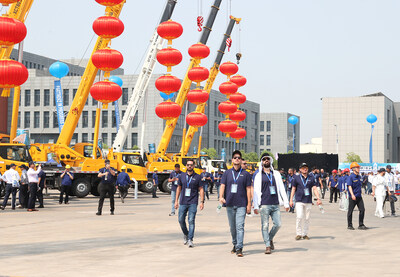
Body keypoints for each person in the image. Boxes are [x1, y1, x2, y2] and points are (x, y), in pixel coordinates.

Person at [253, 154, 289, 254]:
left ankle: (269, 238)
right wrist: (255, 206)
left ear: (271, 161)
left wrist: (286, 203)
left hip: (275, 203)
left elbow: (282, 188)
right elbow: (255, 192)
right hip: (264, 204)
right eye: (264, 159)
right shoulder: (258, 175)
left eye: (267, 159)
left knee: (278, 224)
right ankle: (267, 246)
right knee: (265, 226)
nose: (266, 160)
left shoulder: (276, 174)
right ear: (261, 162)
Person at [219, 150, 251, 257]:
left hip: (242, 204)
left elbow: (248, 189)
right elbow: (222, 185)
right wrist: (221, 197)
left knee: (240, 226)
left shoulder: (246, 174)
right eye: (235, 157)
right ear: (232, 160)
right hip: (230, 203)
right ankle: (235, 243)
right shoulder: (227, 173)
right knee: (232, 227)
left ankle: (239, 248)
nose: (237, 159)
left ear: (241, 160)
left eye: (239, 157)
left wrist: (249, 204)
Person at [174, 159, 204, 248]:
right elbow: (178, 188)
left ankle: (190, 239)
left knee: (191, 220)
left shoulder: (198, 177)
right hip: (183, 201)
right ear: (186, 166)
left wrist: (202, 201)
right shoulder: (181, 176)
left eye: (191, 165)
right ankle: (186, 234)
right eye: (188, 165)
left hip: (193, 202)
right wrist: (176, 201)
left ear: (194, 166)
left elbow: (201, 189)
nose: (189, 166)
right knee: (180, 220)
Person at [289, 163, 322, 240]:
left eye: (306, 168)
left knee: (307, 218)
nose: (305, 169)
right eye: (303, 168)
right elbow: (293, 189)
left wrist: (318, 198)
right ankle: (298, 233)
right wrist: (291, 200)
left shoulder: (311, 178)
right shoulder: (296, 178)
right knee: (299, 216)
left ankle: (305, 234)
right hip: (299, 200)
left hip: (308, 201)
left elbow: (314, 188)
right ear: (300, 169)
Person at [347, 162, 367, 230]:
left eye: (359, 167)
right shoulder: (351, 177)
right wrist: (352, 195)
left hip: (359, 196)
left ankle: (361, 224)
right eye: (358, 167)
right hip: (353, 196)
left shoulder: (359, 177)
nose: (359, 169)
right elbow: (349, 186)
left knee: (362, 210)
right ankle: (349, 225)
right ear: (353, 169)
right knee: (350, 211)